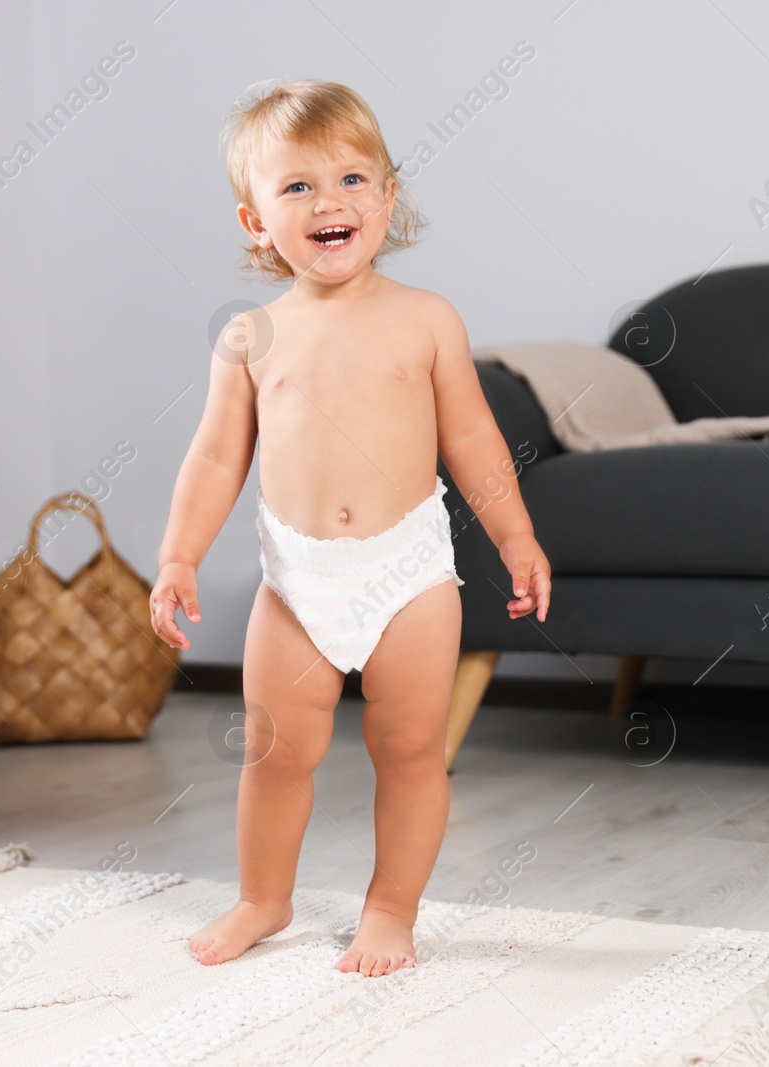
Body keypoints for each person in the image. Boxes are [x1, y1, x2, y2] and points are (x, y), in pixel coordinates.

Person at [149, 79, 552, 978]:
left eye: (351, 179)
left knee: (410, 746)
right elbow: (216, 459)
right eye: (296, 188)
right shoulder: (250, 337)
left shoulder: (426, 318)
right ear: (256, 222)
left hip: (407, 568)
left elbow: (475, 440)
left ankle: (389, 907)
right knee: (274, 751)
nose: (329, 202)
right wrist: (179, 556)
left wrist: (516, 539)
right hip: (296, 578)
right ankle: (264, 896)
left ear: (388, 197)